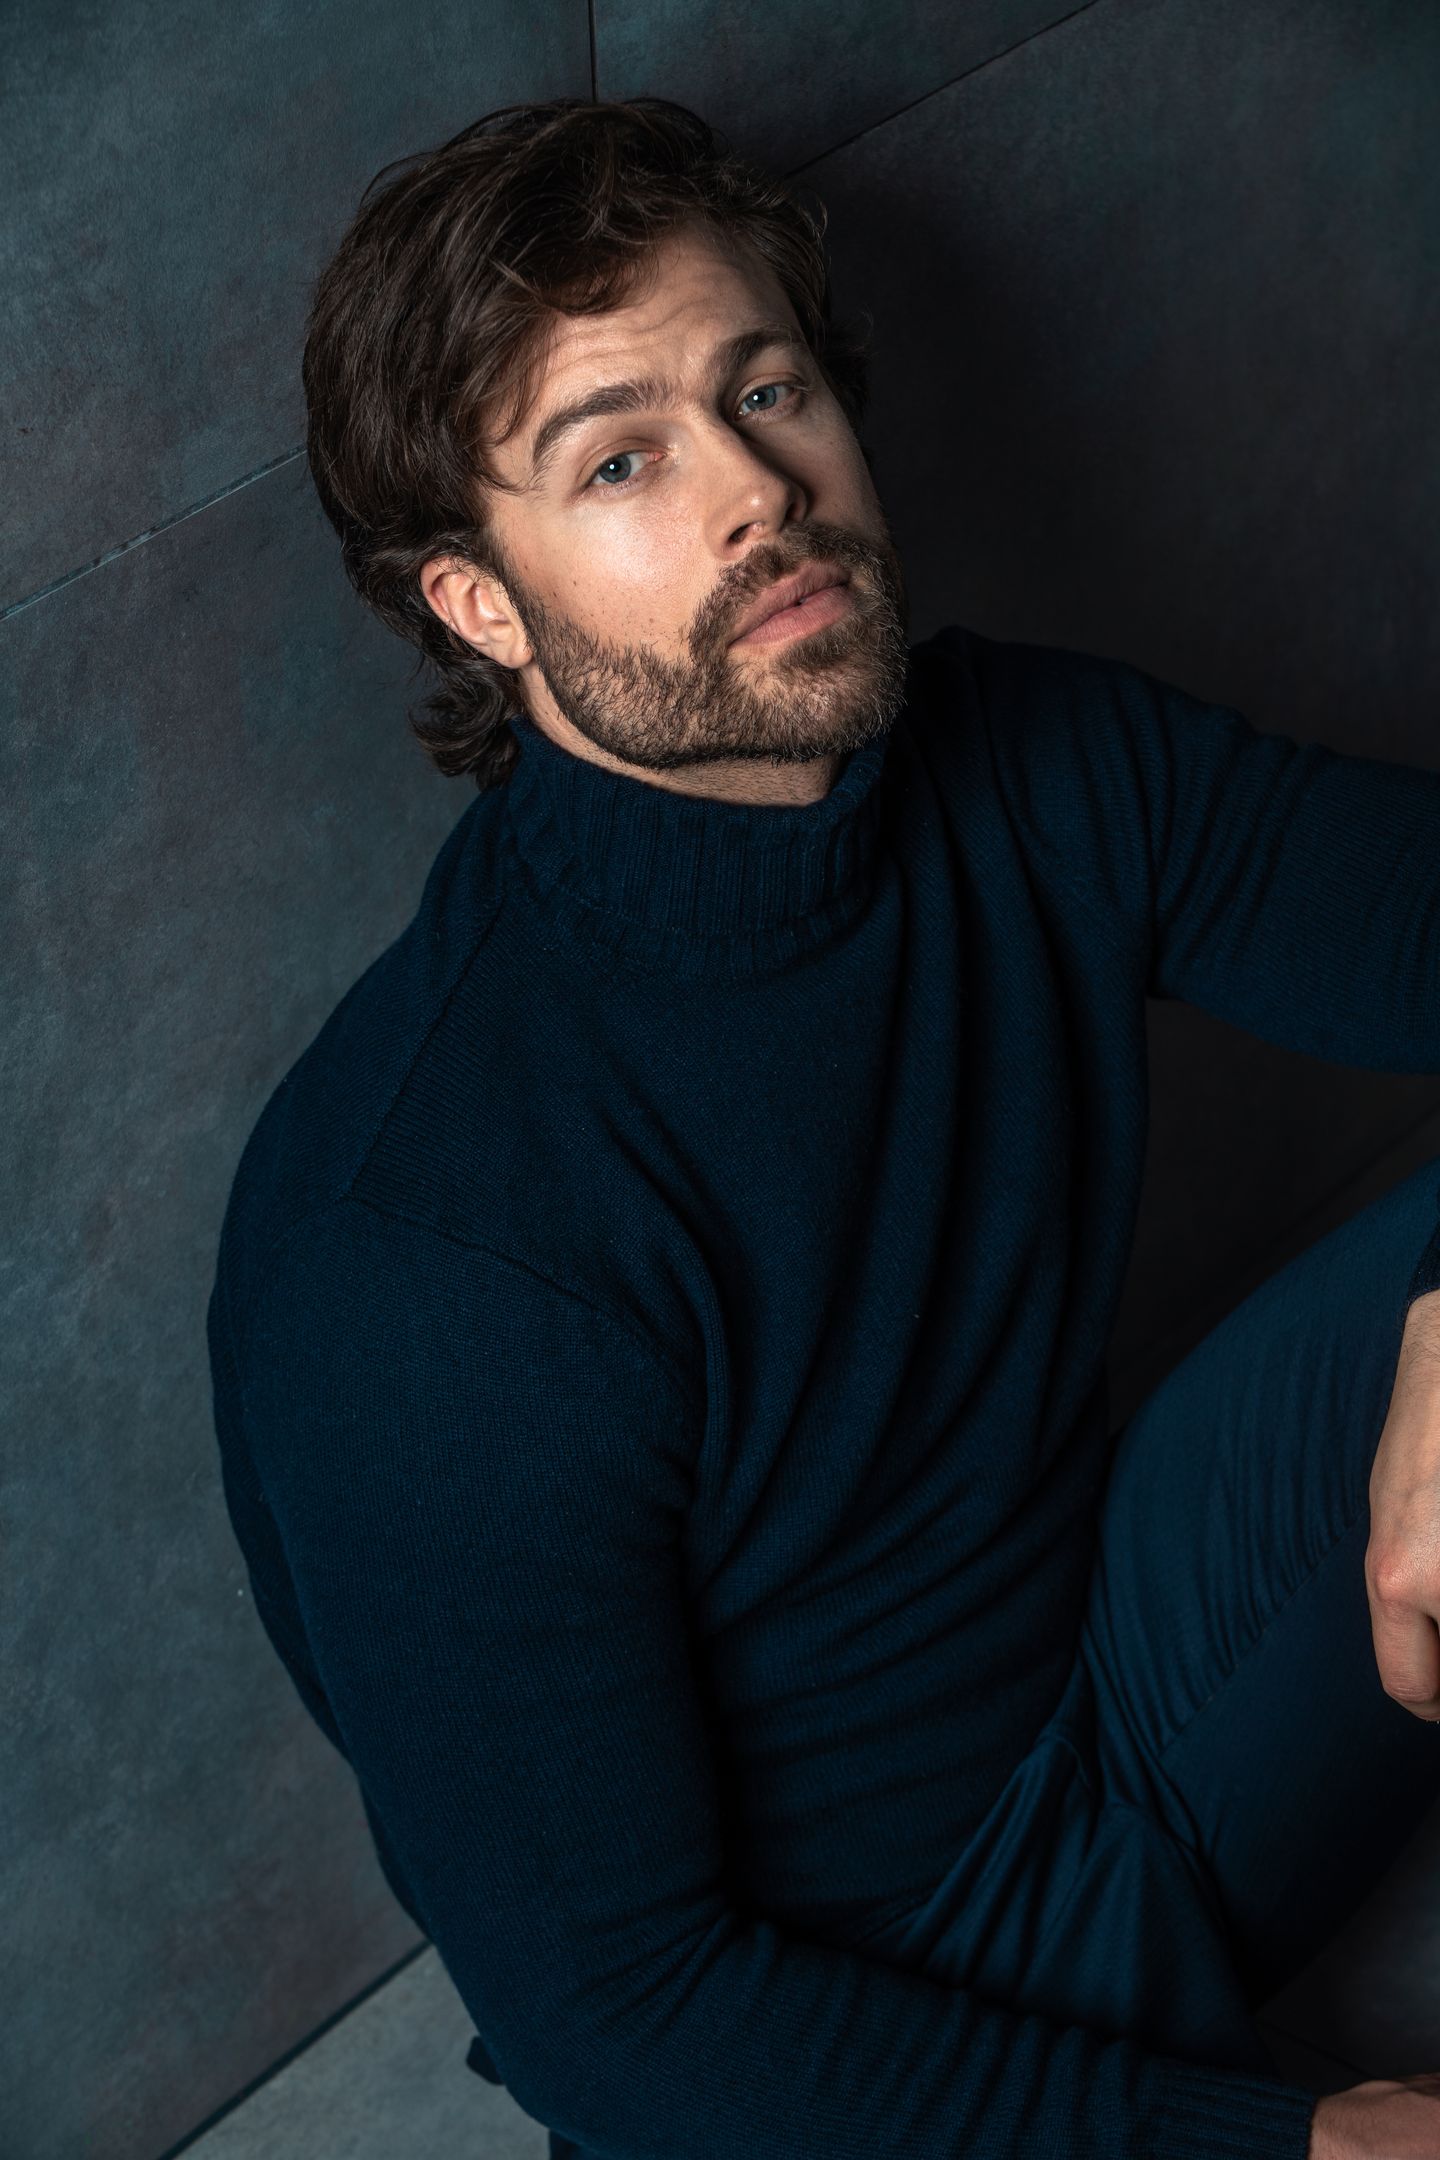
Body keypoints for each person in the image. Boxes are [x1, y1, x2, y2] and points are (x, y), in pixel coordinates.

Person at [206, 95, 1440, 2158]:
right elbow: (626, 2026)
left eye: (763, 389)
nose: (758, 493)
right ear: (480, 606)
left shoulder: (1036, 764)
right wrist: (1282, 2149)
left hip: (1143, 1705)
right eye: (622, 460)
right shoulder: (421, 1251)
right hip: (850, 2044)